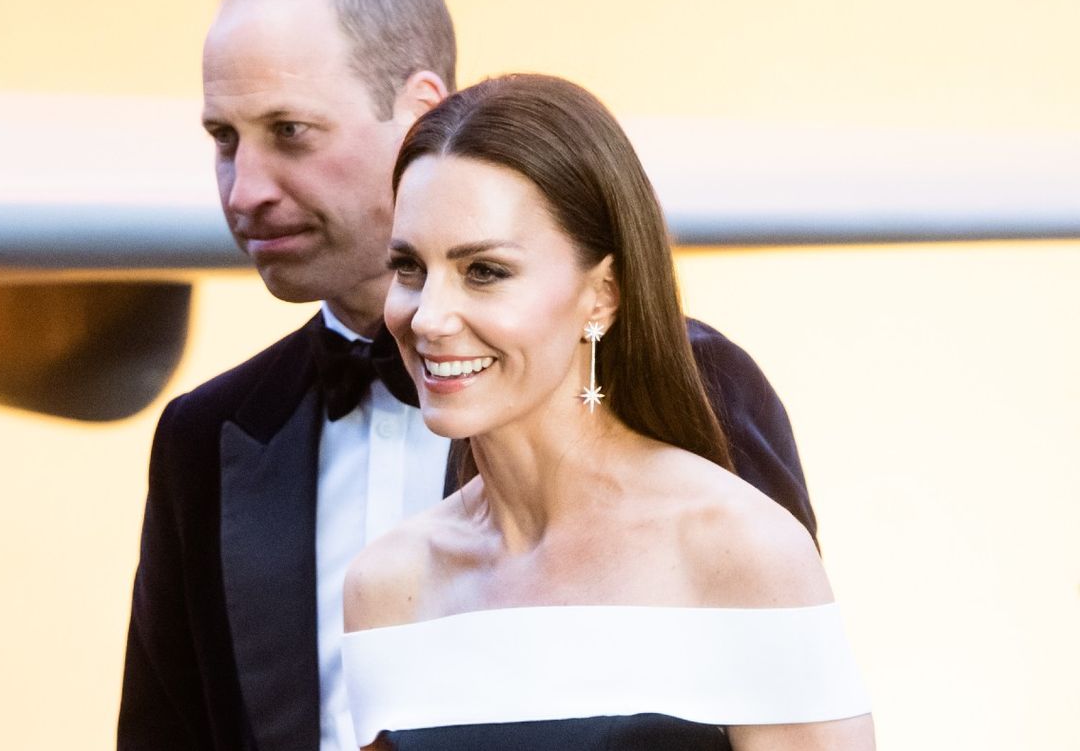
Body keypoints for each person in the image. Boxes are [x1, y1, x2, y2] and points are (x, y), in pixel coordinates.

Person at [119, 0, 816, 751]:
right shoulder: (206, 438)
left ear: (419, 111)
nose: (246, 189)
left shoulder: (701, 388)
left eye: (290, 131)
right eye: (223, 138)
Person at [341, 73, 874, 750]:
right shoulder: (387, 583)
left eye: (484, 271)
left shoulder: (739, 549)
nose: (429, 316)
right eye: (410, 267)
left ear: (604, 294)